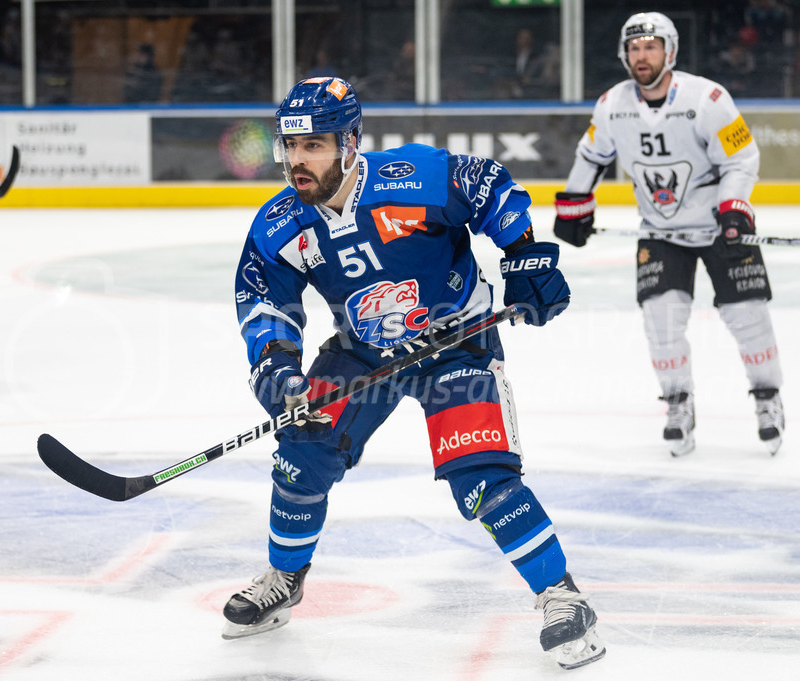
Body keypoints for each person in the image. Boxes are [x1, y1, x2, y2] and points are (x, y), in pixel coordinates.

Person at [225, 76, 605, 670]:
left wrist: (526, 256)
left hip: (458, 343)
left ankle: (562, 596)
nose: (297, 160)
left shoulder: (413, 177)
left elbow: (490, 189)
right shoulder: (280, 224)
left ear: (350, 143)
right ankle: (285, 577)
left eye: (314, 145)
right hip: (364, 351)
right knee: (300, 450)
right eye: (289, 146)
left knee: (481, 477)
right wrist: (276, 368)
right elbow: (264, 304)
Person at [552, 12, 784, 456]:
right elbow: (592, 156)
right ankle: (678, 404)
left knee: (749, 318)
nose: (642, 56)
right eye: (634, 48)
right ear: (625, 55)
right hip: (660, 231)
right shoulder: (612, 104)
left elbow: (742, 159)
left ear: (670, 52)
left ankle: (768, 399)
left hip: (721, 229)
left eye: (651, 47)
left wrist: (734, 209)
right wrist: (575, 206)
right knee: (660, 323)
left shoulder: (708, 97)